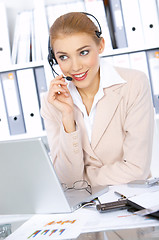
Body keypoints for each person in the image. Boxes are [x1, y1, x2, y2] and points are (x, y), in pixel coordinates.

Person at [41, 12, 154, 187]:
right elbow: (67, 178)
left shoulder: (134, 84)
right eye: (63, 57)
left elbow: (137, 169)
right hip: (85, 209)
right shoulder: (52, 103)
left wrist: (82, 180)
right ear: (54, 59)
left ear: (100, 46)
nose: (76, 66)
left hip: (133, 201)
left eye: (84, 52)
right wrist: (67, 118)